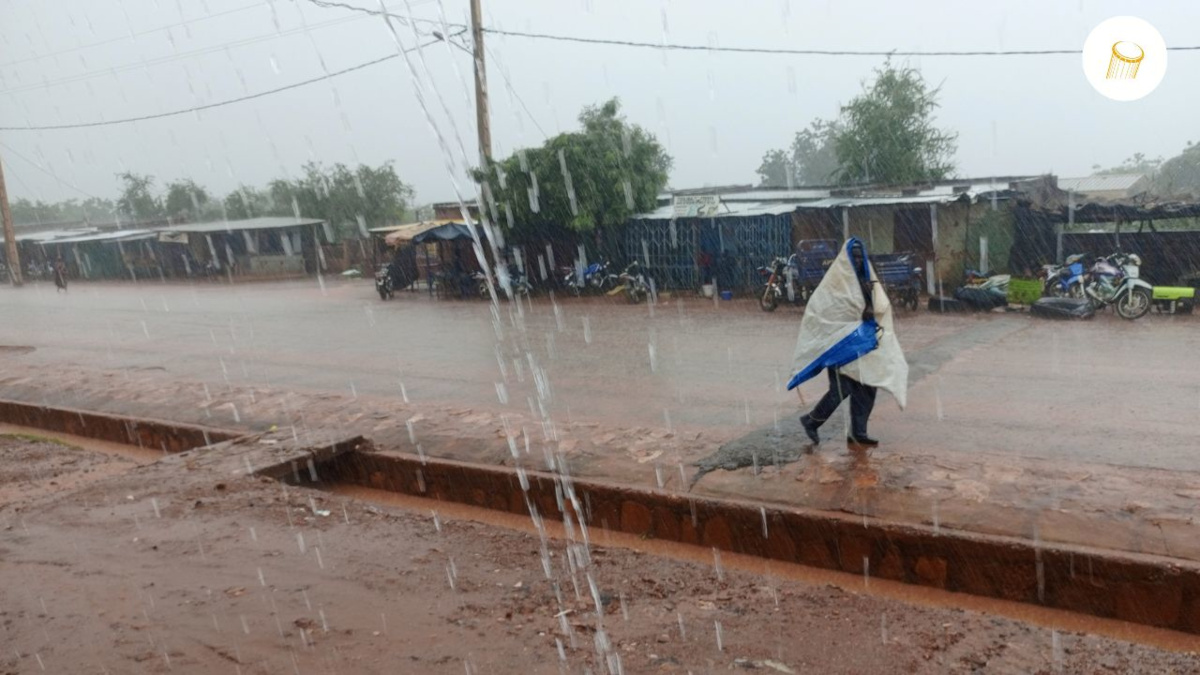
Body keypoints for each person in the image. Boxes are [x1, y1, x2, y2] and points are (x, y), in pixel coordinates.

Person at [790, 239, 908, 448]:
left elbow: (880, 304)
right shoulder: (835, 284)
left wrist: (872, 312)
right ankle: (811, 421)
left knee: (867, 387)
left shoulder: (868, 280)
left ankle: (858, 433)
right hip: (839, 346)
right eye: (853, 257)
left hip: (864, 344)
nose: (858, 260)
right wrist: (853, 319)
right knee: (841, 390)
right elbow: (825, 312)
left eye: (860, 256)